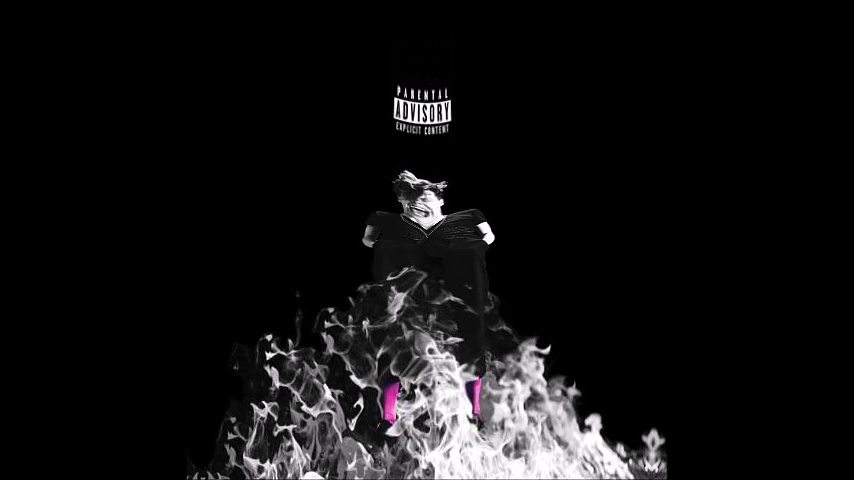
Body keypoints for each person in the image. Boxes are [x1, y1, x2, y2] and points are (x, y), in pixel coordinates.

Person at [362, 171, 495, 427]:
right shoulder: (385, 219)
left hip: (455, 285)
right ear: (402, 201)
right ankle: (388, 416)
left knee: (470, 340)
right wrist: (385, 247)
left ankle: (473, 411)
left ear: (441, 201)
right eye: (411, 199)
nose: (418, 203)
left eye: (425, 198)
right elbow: (368, 239)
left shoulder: (468, 217)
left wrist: (475, 247)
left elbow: (488, 236)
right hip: (407, 286)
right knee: (394, 339)